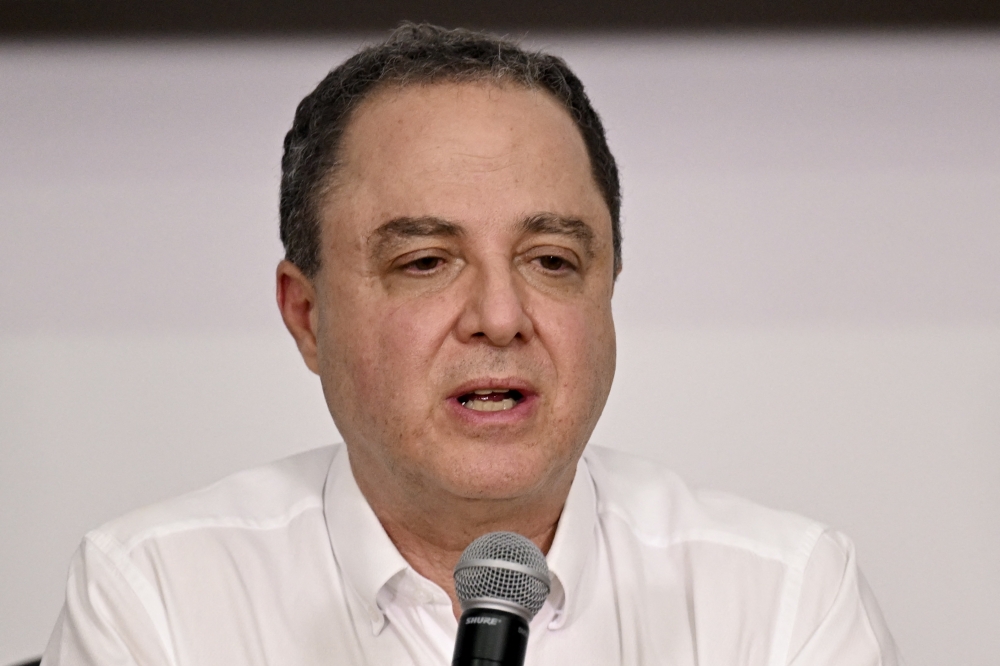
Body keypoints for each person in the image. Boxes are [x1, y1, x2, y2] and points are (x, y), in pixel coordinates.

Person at [41, 24, 901, 665]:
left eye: (552, 260)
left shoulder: (783, 600)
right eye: (425, 262)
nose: (500, 314)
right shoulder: (157, 599)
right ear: (307, 316)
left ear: (609, 288)